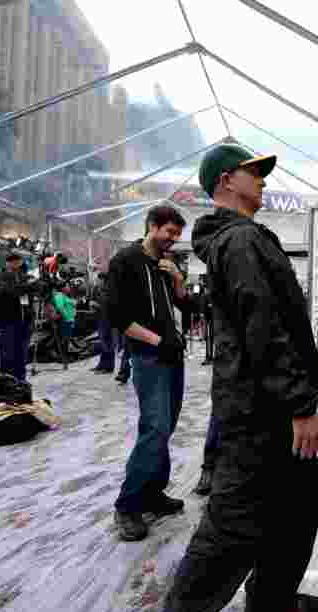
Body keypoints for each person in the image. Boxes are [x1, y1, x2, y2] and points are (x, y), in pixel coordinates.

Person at [145, 144, 318, 612]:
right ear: (228, 181)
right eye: (256, 173)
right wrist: (299, 404)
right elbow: (262, 328)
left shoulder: (238, 238)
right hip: (260, 412)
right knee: (233, 528)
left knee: (298, 505)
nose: (264, 181)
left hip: (265, 405)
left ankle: (270, 599)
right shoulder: (241, 240)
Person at [107, 206, 190, 541]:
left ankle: (153, 494)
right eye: (169, 232)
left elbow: (186, 307)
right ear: (152, 226)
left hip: (173, 357)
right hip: (149, 357)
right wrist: (157, 341)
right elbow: (117, 315)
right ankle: (127, 505)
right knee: (154, 427)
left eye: (177, 234)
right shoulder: (125, 261)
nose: (173, 239)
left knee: (165, 427)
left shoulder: (166, 265)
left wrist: (178, 280)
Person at [0, 253, 36, 381]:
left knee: (22, 353)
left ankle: (20, 380)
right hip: (8, 320)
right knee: (7, 353)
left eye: (17, 260)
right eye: (11, 261)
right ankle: (8, 381)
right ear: (7, 263)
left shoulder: (26, 276)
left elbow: (36, 289)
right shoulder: (2, 277)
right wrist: (29, 286)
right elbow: (11, 291)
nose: (15, 263)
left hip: (25, 320)